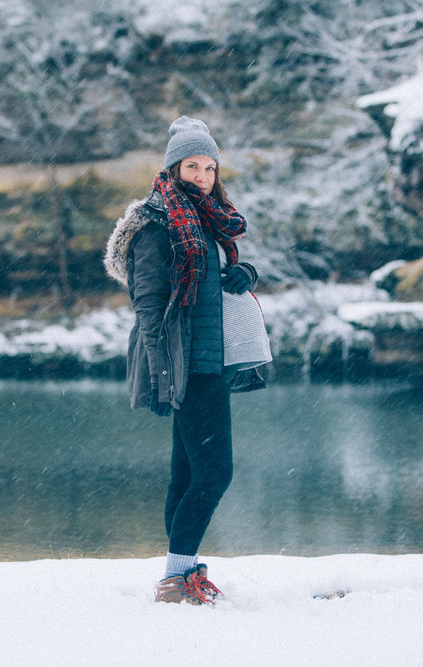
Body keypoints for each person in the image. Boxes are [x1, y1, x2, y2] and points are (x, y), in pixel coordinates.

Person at [104, 116, 267, 606]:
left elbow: (219, 276)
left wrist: (245, 274)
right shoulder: (158, 226)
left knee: (188, 473)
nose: (201, 175)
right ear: (173, 168)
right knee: (215, 473)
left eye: (209, 167)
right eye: (192, 165)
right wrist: (161, 371)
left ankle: (180, 572)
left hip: (212, 360)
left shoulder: (208, 220)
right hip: (188, 364)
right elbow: (149, 308)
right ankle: (176, 579)